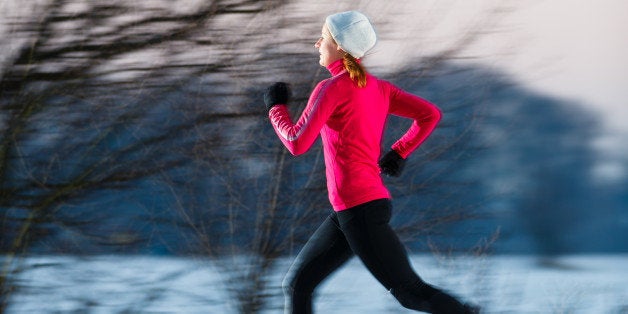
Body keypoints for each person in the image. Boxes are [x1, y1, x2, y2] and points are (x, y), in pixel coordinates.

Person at [264, 11, 479, 314]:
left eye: (323, 38)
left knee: (410, 293)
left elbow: (297, 143)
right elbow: (430, 114)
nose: (317, 44)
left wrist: (276, 108)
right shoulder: (378, 89)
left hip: (359, 210)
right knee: (298, 285)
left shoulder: (332, 88)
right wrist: (399, 151)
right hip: (353, 210)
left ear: (339, 45)